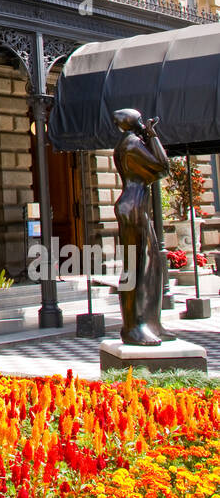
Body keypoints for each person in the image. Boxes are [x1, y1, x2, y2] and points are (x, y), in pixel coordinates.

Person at [112, 108, 169, 345]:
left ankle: (150, 322)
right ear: (134, 123)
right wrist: (153, 136)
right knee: (135, 268)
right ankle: (132, 327)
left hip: (136, 204)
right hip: (132, 206)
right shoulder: (132, 144)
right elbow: (162, 167)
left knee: (151, 265)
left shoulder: (129, 142)